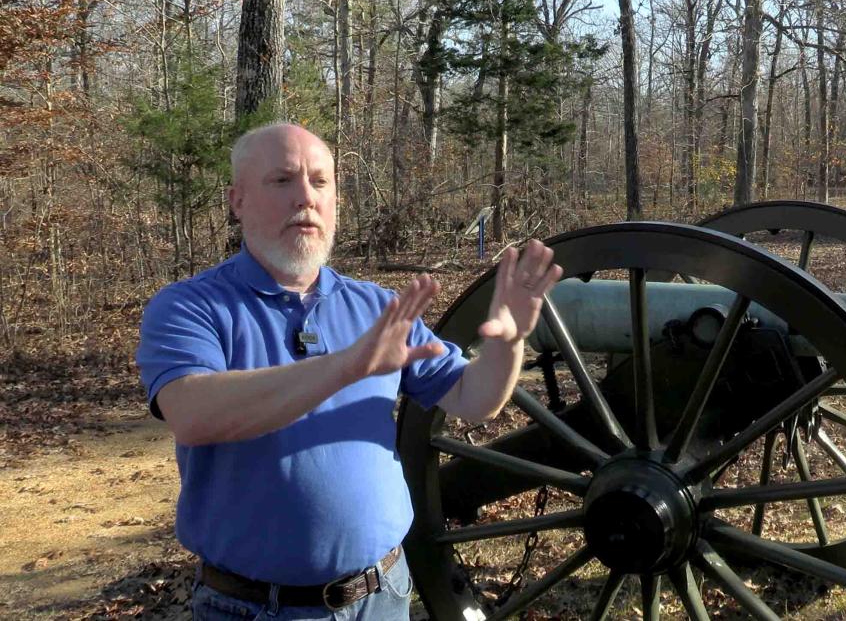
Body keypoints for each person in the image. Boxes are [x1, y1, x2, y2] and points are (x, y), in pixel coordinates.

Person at [135, 122, 562, 620]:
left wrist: (510, 342)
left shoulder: (376, 306)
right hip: (253, 608)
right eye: (281, 181)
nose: (305, 198)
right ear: (237, 201)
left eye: (320, 181)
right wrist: (346, 365)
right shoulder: (190, 307)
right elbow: (192, 412)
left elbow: (474, 399)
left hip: (382, 595)